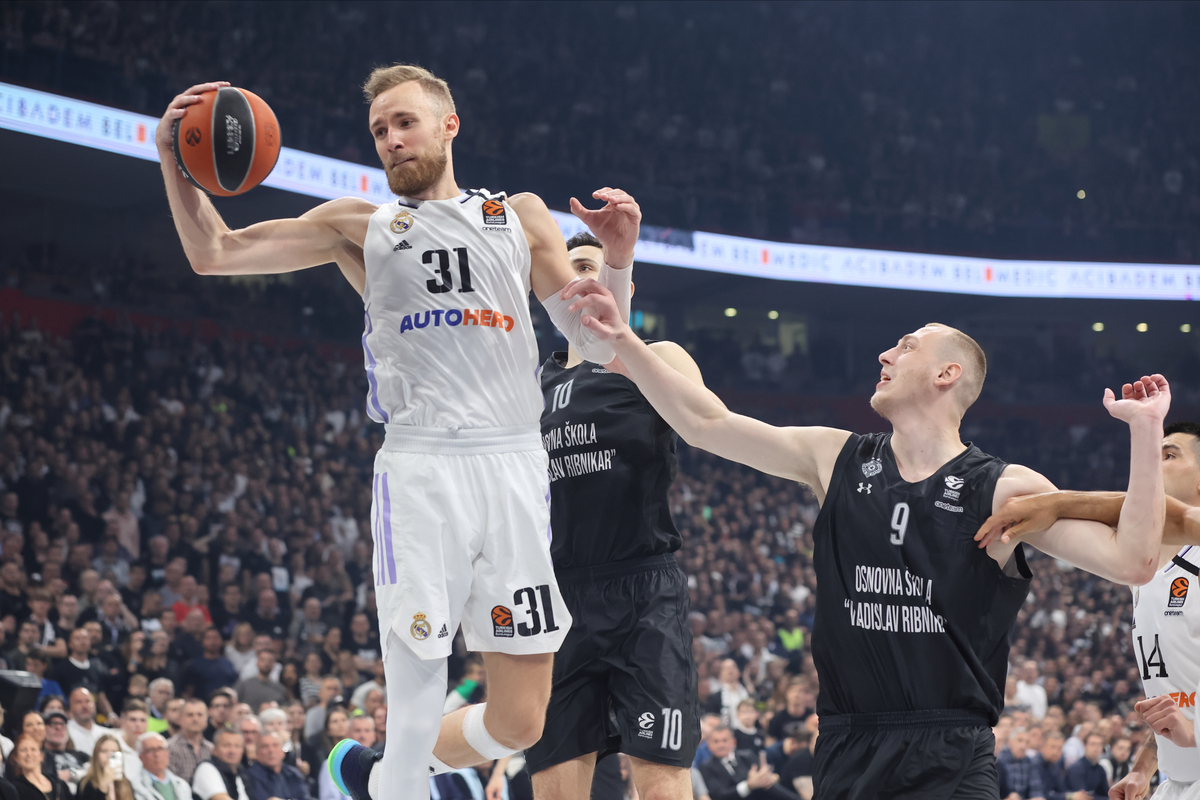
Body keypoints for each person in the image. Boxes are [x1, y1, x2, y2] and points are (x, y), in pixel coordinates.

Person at [155, 61, 638, 800]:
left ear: (449, 124)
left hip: (513, 466)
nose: (391, 140)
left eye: (404, 122)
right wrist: (174, 163)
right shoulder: (361, 225)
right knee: (414, 705)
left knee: (521, 723)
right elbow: (213, 252)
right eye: (379, 130)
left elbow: (599, 346)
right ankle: (398, 774)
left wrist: (621, 261)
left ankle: (376, 777)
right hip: (422, 469)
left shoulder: (523, 216)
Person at [565, 276, 1172, 798]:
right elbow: (705, 422)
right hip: (846, 744)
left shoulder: (1003, 487)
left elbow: (1135, 561)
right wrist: (623, 339)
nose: (884, 353)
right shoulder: (834, 457)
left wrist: (1146, 434)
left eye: (905, 347)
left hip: (950, 748)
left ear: (947, 373)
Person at [526, 231, 703, 800]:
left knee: (658, 783)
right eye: (570, 266)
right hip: (559, 597)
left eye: (593, 267)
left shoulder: (658, 358)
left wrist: (626, 350)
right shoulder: (532, 384)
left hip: (642, 592)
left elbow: (705, 422)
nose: (580, 277)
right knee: (555, 788)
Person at [981, 420, 1200, 800]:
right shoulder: (1144, 572)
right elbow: (1183, 700)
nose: (1154, 462)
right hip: (1177, 781)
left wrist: (1053, 502)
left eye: (1169, 455)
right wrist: (1143, 768)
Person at [696, 726, 798, 800]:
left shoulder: (747, 756)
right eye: (716, 741)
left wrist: (770, 777)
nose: (721, 745)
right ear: (708, 745)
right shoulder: (706, 767)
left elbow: (765, 781)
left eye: (724, 740)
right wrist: (748, 785)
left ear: (734, 742)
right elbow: (719, 795)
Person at [244, 732, 309, 800]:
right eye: (265, 746)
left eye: (275, 745)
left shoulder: (293, 774)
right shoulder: (250, 777)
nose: (271, 750)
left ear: (283, 751)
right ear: (257, 752)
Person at [180, 630, 237, 702]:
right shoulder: (194, 666)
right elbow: (188, 692)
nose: (213, 641)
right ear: (202, 642)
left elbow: (234, 688)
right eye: (208, 638)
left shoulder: (228, 664)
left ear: (221, 641)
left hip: (225, 707)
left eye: (215, 638)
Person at [190, 731, 249, 800]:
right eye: (226, 745)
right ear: (214, 749)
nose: (232, 751)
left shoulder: (241, 772)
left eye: (237, 746)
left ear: (243, 750)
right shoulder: (206, 769)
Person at [77, 735, 137, 800]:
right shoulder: (86, 783)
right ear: (96, 755)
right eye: (104, 751)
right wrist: (103, 787)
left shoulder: (126, 783)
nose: (109, 756)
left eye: (114, 752)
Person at [9, 734, 69, 800]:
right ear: (16, 758)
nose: (29, 754)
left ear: (41, 755)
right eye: (23, 750)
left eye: (33, 749)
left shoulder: (60, 784)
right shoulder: (14, 789)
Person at [137, 732, 193, 800]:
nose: (157, 754)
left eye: (160, 749)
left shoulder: (181, 784)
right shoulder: (136, 786)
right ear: (140, 756)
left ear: (167, 752)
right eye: (150, 750)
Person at [167, 699, 212, 784]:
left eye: (200, 714)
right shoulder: (169, 748)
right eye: (190, 715)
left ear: (206, 719)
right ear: (180, 719)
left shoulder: (212, 749)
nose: (195, 719)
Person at [43, 709, 90, 787]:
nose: (58, 727)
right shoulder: (40, 757)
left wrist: (72, 775)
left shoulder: (81, 756)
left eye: (62, 723)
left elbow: (97, 771)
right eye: (53, 723)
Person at [234, 648, 288, 714]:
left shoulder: (280, 689)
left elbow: (284, 710)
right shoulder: (244, 685)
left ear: (274, 664)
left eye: (270, 661)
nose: (266, 663)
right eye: (263, 660)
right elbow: (234, 704)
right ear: (257, 662)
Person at [68, 688, 116, 757]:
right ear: (71, 707)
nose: (84, 706)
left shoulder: (106, 734)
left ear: (95, 705)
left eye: (88, 701)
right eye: (79, 702)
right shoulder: (65, 732)